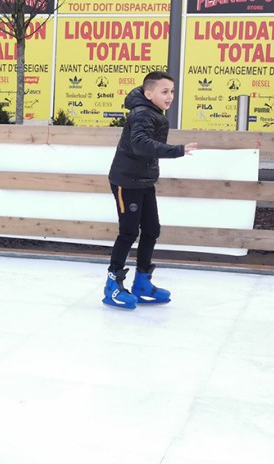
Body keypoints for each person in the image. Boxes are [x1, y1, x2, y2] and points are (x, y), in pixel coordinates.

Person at [103, 71, 197, 310]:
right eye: (164, 91)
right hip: (127, 181)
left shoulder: (152, 112)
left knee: (152, 229)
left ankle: (142, 283)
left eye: (172, 91)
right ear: (148, 93)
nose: (170, 96)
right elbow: (141, 144)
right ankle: (112, 285)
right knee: (128, 232)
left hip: (143, 180)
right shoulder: (143, 113)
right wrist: (176, 150)